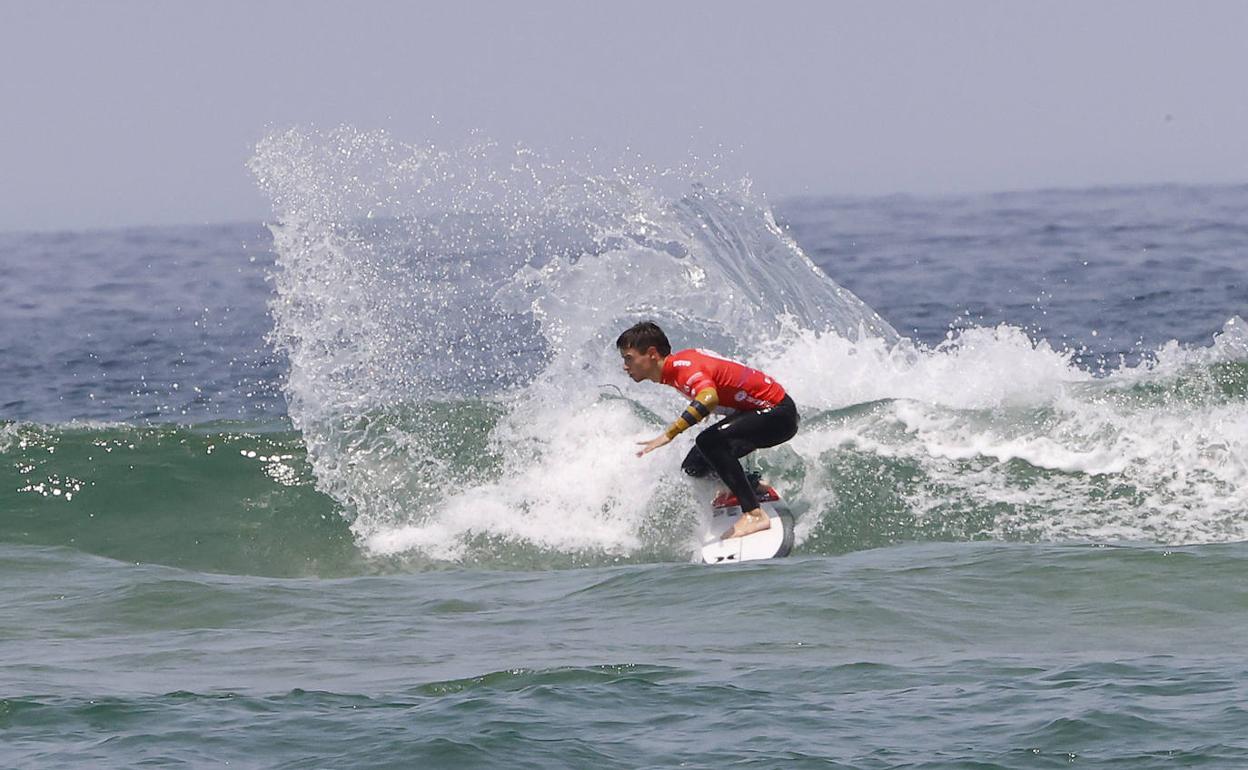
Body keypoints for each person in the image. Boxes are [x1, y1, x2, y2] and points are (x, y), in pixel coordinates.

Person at [616, 320, 800, 539]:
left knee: (709, 442)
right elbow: (721, 380)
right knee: (694, 466)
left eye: (629, 358)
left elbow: (709, 397)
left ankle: (754, 514)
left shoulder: (683, 371)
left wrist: (669, 434)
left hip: (778, 415)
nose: (625, 366)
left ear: (652, 354)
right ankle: (753, 487)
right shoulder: (680, 364)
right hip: (760, 413)